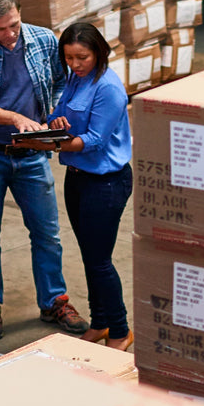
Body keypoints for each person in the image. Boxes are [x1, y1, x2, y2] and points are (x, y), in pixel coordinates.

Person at [0, 0, 88, 341]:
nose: (10, 34)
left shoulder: (43, 40)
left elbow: (61, 84)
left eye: (14, 24)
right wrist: (14, 119)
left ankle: (54, 300)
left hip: (33, 155)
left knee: (47, 233)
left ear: (19, 13)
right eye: (0, 29)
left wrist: (55, 115)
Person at [48, 22, 134, 351]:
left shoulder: (108, 87)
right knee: (89, 256)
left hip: (106, 182)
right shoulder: (75, 78)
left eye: (81, 57)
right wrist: (55, 123)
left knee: (100, 260)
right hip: (78, 178)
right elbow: (60, 113)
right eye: (69, 58)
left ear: (98, 52)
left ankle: (121, 330)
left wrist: (52, 145)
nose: (75, 64)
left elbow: (96, 141)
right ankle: (100, 322)